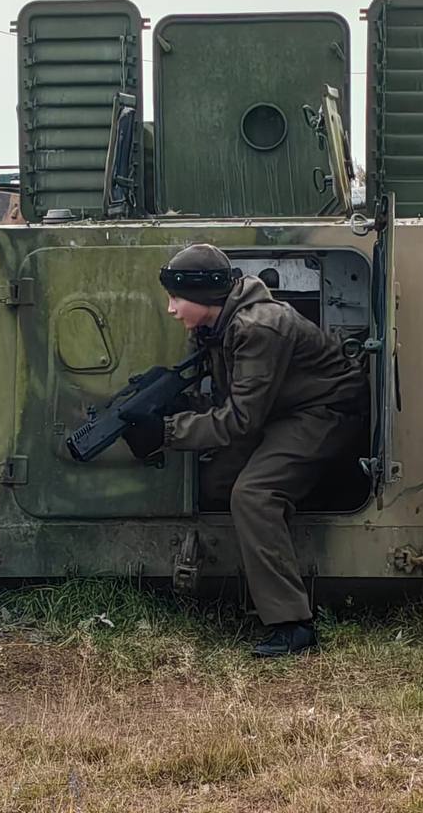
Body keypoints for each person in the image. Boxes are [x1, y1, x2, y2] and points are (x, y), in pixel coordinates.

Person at [121, 244, 369, 657]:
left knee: (254, 495)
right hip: (280, 411)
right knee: (214, 484)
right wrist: (169, 400)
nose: (171, 309)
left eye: (176, 298)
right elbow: (232, 399)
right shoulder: (216, 326)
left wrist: (166, 431)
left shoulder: (258, 328)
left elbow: (240, 419)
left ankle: (292, 625)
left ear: (203, 296)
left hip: (325, 412)